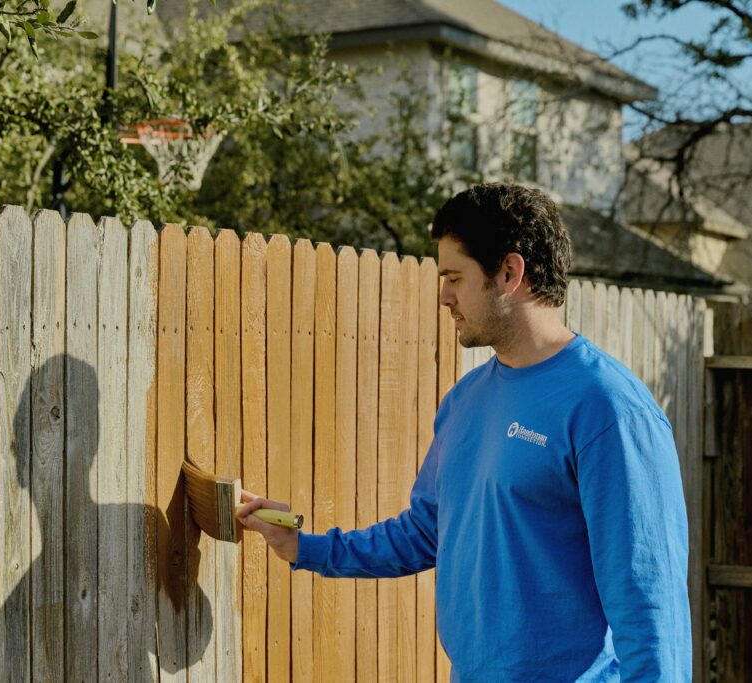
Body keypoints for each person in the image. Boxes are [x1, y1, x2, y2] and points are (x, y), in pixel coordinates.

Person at [238, 183, 691, 682]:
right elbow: (425, 532)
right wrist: (306, 548)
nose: (443, 296)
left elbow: (649, 607)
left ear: (509, 272)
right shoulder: (465, 401)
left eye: (454, 277)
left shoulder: (609, 409)